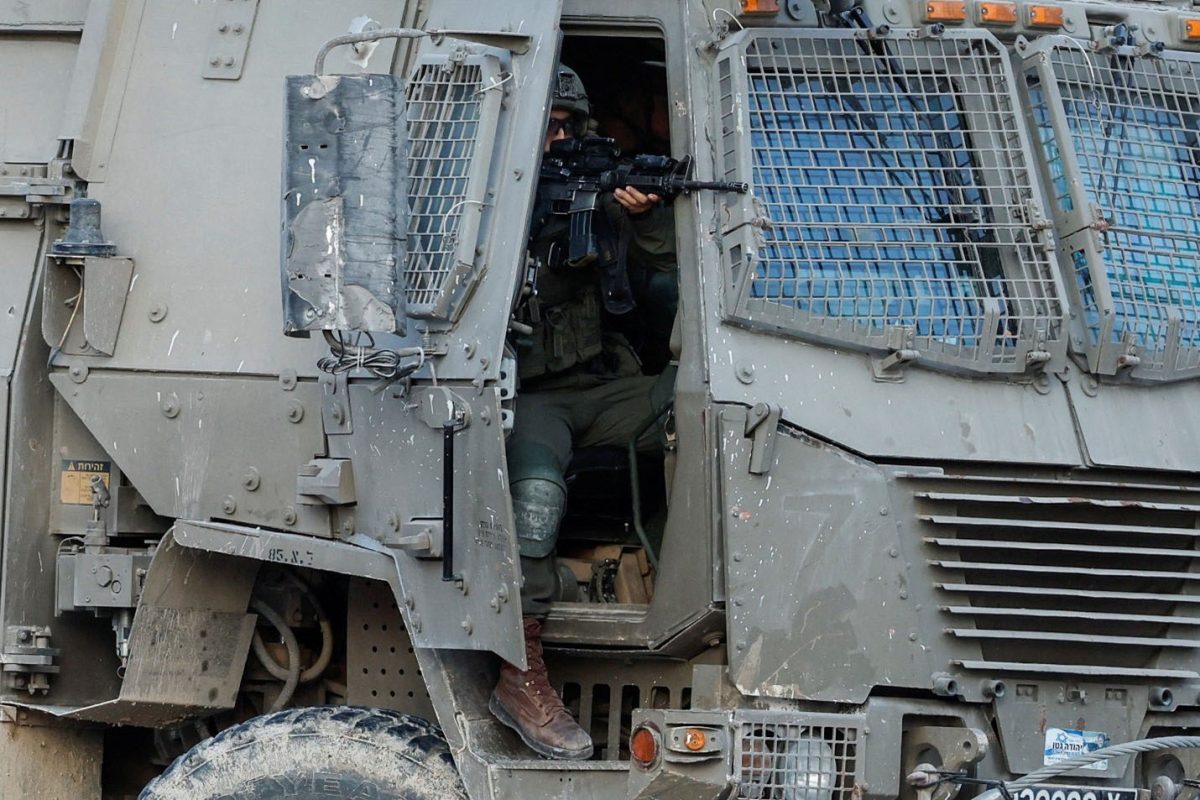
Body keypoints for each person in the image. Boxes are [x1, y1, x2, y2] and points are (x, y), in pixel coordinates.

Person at [488, 64, 676, 761]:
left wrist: (641, 220)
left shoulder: (596, 194)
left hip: (600, 387)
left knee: (711, 411)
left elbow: (664, 284)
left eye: (566, 127)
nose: (556, 140)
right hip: (526, 397)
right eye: (545, 127)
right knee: (535, 497)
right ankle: (520, 676)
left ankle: (665, 583)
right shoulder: (480, 195)